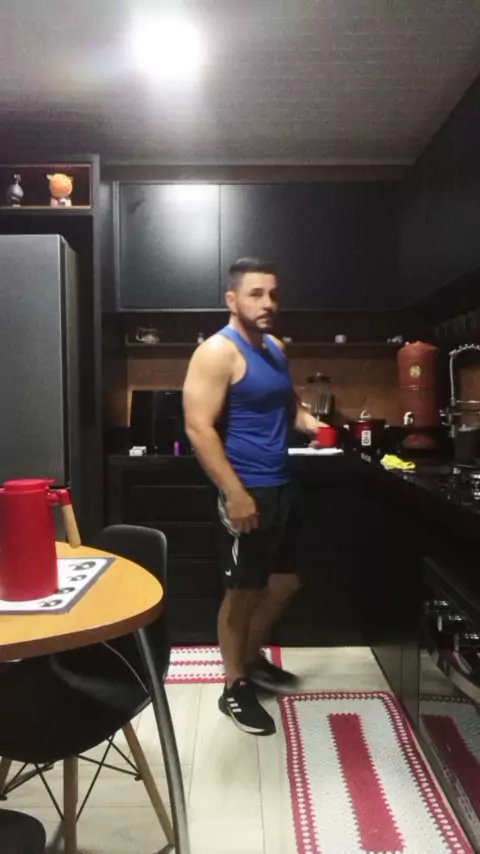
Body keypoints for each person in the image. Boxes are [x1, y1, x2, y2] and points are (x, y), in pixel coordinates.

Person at [183, 258, 325, 735]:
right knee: (242, 592)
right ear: (232, 299)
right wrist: (234, 493)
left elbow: (289, 405)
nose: (268, 303)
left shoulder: (275, 348)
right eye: (256, 294)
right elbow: (198, 428)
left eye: (273, 294)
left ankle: (249, 657)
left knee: (285, 581)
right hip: (245, 486)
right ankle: (234, 686)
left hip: (282, 482)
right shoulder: (216, 353)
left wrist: (311, 424)